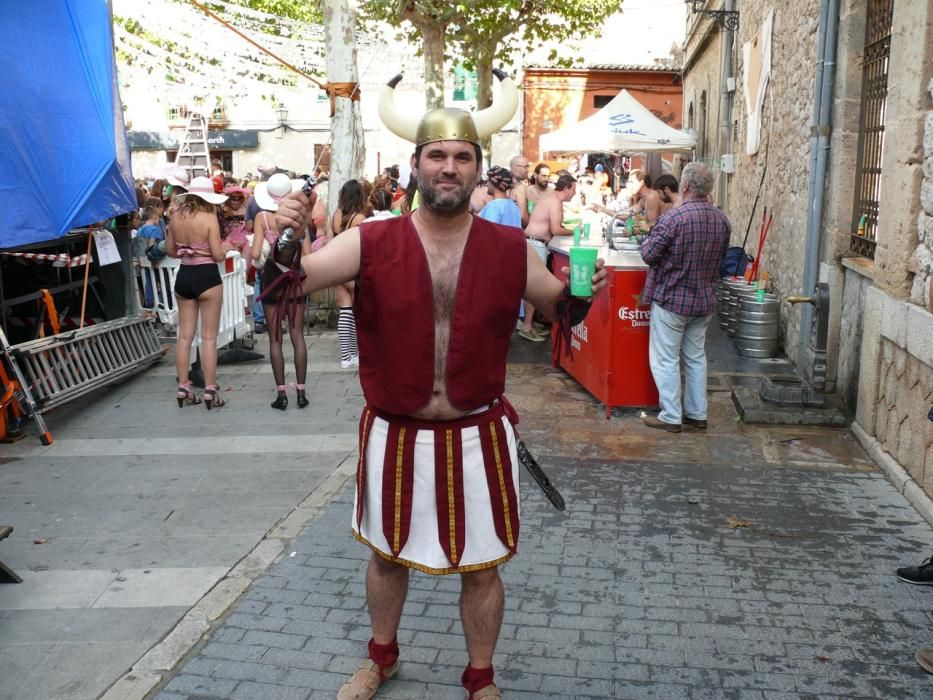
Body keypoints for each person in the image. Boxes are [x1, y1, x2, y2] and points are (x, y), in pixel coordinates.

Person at [274, 75, 606, 700]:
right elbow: (288, 285)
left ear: (478, 167)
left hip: (478, 432)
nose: (449, 167)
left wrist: (582, 291)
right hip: (395, 430)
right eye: (437, 155)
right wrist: (284, 239)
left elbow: (561, 310)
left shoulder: (511, 250)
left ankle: (481, 678)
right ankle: (381, 658)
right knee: (386, 555)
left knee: (483, 566)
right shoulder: (370, 241)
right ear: (416, 165)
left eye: (462, 156)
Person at [640, 162, 730, 432]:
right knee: (695, 357)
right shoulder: (722, 220)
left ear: (686, 186)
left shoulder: (674, 218)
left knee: (666, 358)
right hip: (704, 300)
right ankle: (697, 413)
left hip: (672, 299)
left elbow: (648, 254)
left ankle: (671, 416)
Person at [165, 176, 228, 409]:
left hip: (184, 276)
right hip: (207, 277)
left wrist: (188, 250)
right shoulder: (209, 218)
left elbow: (171, 251)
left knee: (184, 337)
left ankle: (184, 387)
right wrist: (224, 249)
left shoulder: (175, 218)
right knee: (209, 338)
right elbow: (218, 255)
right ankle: (210, 390)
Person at [258, 181, 315, 411]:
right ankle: (301, 393)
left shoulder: (264, 220)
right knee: (297, 335)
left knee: (275, 339)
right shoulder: (300, 220)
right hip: (294, 281)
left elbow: (255, 253)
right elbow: (309, 255)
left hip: (272, 281)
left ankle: (281, 395)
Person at [519, 173, 577, 342]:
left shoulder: (551, 198)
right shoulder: (555, 202)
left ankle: (529, 323)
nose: (574, 193)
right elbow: (556, 229)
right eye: (573, 189)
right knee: (535, 287)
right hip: (536, 244)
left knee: (532, 285)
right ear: (565, 188)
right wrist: (575, 230)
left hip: (532, 242)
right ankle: (527, 326)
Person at [330, 179, 367, 369]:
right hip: (352, 266)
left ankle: (347, 355)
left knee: (345, 309)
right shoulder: (359, 218)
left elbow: (329, 241)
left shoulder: (335, 215)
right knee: (356, 311)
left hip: (336, 264)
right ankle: (354, 353)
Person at [508, 156, 531, 227]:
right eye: (526, 167)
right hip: (515, 231)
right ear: (516, 168)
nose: (528, 170)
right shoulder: (520, 187)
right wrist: (531, 227)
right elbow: (522, 216)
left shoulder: (503, 184)